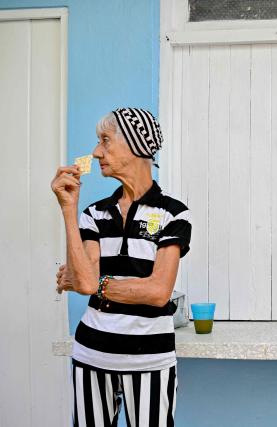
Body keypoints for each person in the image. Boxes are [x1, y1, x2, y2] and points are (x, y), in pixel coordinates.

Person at [51, 108, 192, 427]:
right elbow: (84, 282)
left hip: (150, 359)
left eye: (105, 141)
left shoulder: (174, 214)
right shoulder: (92, 214)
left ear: (135, 146)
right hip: (91, 354)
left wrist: (94, 282)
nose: (96, 151)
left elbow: (158, 293)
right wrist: (68, 209)